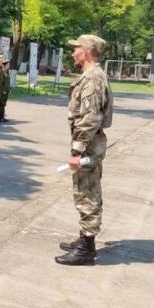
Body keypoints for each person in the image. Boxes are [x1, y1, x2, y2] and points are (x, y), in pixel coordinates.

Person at [56, 34, 113, 266]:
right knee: (85, 191)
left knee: (87, 193)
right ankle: (84, 239)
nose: (73, 52)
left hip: (88, 144)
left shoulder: (92, 78)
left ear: (87, 51)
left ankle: (86, 248)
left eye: (76, 48)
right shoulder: (91, 76)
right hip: (90, 142)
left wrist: (77, 150)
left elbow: (90, 118)